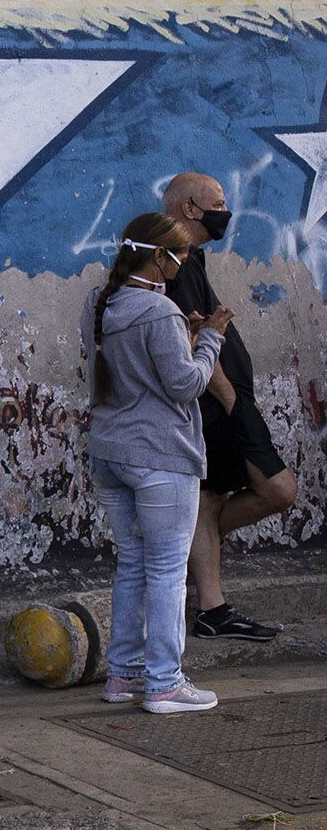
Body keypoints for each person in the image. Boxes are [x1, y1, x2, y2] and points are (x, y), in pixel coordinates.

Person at [86, 212, 231, 714]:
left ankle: (124, 675)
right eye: (182, 253)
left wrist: (183, 338)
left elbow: (135, 369)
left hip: (110, 452)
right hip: (160, 458)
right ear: (157, 255)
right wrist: (210, 338)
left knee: (132, 563)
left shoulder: (100, 303)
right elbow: (185, 385)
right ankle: (165, 683)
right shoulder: (160, 311)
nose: (185, 261)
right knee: (168, 572)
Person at [161, 172, 295, 641]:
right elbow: (193, 341)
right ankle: (213, 608)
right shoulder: (175, 262)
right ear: (190, 209)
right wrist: (231, 399)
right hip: (217, 406)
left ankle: (206, 571)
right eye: (217, 202)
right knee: (241, 492)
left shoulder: (191, 258)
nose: (226, 209)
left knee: (256, 495)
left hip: (230, 403)